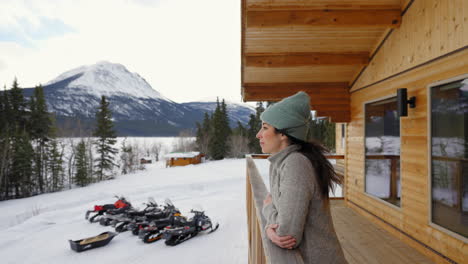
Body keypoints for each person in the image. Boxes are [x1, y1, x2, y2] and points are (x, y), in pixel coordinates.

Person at [256, 91, 348, 263]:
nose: (258, 134)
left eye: (265, 127)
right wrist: (273, 212)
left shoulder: (296, 164)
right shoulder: (280, 162)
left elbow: (286, 233)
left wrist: (269, 216)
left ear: (283, 134)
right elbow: (278, 205)